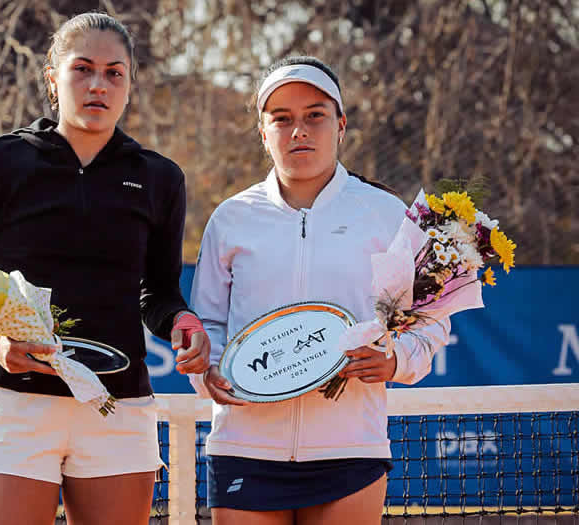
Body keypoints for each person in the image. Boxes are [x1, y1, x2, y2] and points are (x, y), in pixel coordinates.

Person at [0, 12, 210, 525]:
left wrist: (181, 320)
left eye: (114, 73)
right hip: (17, 405)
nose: (98, 84)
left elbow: (158, 292)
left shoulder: (160, 178)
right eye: (82, 69)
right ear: (53, 78)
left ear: (129, 84)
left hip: (117, 407)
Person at [188, 56, 451, 525]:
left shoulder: (387, 215)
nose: (299, 131)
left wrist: (395, 361)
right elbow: (208, 323)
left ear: (341, 125)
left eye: (315, 115)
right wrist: (211, 371)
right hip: (245, 447)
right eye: (282, 119)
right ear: (263, 132)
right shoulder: (230, 219)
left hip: (351, 450)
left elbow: (430, 320)